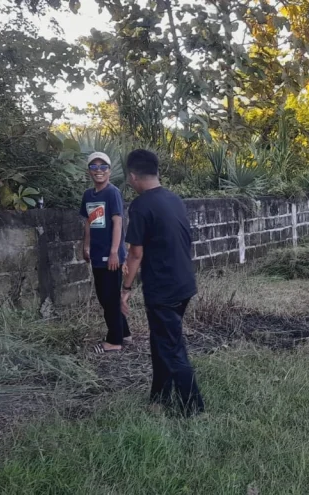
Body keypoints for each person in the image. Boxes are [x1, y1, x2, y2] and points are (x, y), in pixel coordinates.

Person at [120, 149, 204, 416]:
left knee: (172, 348)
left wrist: (125, 289)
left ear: (133, 176)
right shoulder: (174, 199)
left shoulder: (141, 206)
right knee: (161, 342)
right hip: (184, 283)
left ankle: (194, 409)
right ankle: (159, 398)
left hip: (163, 289)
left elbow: (135, 254)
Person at [80, 152, 131, 354]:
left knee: (109, 298)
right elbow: (88, 222)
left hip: (111, 256)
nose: (98, 170)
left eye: (103, 167)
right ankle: (124, 333)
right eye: (94, 167)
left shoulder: (112, 193)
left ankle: (114, 341)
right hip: (96, 253)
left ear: (109, 171)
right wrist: (86, 246)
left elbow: (118, 223)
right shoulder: (88, 195)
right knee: (105, 297)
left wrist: (114, 253)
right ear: (89, 171)